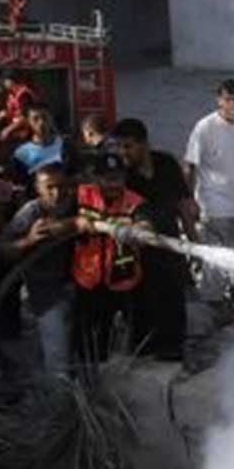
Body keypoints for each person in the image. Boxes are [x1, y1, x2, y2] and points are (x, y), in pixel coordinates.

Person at [115, 117, 195, 360]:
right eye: (119, 147)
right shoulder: (122, 175)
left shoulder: (167, 164)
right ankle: (144, 356)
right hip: (139, 251)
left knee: (174, 299)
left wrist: (193, 242)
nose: (122, 152)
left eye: (127, 146)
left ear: (144, 144)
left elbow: (183, 204)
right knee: (141, 304)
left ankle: (174, 353)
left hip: (171, 244)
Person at [0, 161, 81, 374]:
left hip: (77, 288)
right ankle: (57, 399)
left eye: (61, 187)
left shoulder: (78, 205)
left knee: (77, 350)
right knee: (57, 354)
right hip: (46, 293)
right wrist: (29, 240)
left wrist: (73, 224)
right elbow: (4, 249)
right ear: (38, 188)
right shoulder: (31, 212)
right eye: (50, 188)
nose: (57, 193)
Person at [71, 151, 147, 366]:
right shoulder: (81, 196)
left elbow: (146, 222)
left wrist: (138, 229)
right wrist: (75, 222)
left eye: (118, 178)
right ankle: (84, 376)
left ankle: (112, 376)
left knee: (119, 335)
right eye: (107, 178)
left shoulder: (134, 202)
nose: (114, 184)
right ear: (96, 178)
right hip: (87, 279)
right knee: (84, 337)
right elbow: (62, 218)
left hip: (123, 280)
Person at [184, 78, 234, 303]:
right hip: (211, 207)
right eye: (228, 99)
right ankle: (211, 307)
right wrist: (189, 201)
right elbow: (190, 166)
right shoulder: (205, 127)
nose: (233, 104)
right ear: (219, 100)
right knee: (214, 263)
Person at [10, 104, 66, 182]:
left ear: (51, 118)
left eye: (44, 117)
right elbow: (20, 180)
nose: (41, 123)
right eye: (35, 119)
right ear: (28, 121)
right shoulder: (22, 152)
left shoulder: (64, 145)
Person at [0, 71, 38, 142]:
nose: (4, 83)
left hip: (28, 130)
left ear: (11, 81)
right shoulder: (10, 94)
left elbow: (26, 116)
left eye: (5, 81)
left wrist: (9, 129)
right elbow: (7, 111)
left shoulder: (24, 94)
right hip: (17, 127)